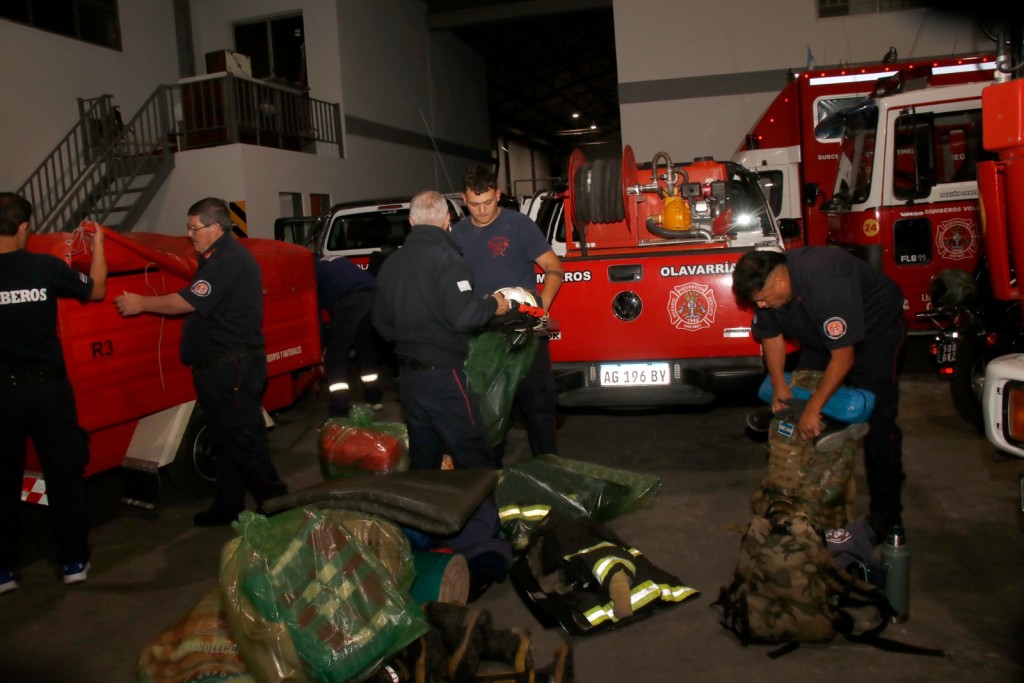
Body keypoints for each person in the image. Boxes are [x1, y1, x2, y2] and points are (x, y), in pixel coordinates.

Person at [114, 198, 287, 528]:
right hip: (219, 367)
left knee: (244, 439)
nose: (189, 234)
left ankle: (277, 505)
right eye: (188, 227)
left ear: (215, 228)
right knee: (225, 441)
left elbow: (187, 301)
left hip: (231, 367)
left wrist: (141, 303)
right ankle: (228, 504)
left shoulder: (227, 259)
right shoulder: (215, 259)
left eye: (194, 228)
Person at [372, 189, 511, 599]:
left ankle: (424, 538)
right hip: (444, 377)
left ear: (412, 223)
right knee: (475, 459)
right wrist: (496, 304)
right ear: (447, 222)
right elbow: (467, 315)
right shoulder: (448, 260)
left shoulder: (391, 264)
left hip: (409, 380)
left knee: (426, 464)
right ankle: (484, 554)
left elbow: (380, 323)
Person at [731, 247, 906, 536]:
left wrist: (814, 407)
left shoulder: (825, 280)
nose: (760, 306)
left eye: (761, 299)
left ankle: (888, 517)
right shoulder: (772, 296)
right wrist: (779, 386)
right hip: (819, 337)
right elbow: (771, 338)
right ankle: (810, 506)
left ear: (779, 282)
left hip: (876, 333)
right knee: (796, 408)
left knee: (879, 421)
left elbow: (844, 356)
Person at [0, 192, 106, 592]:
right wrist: (97, 246)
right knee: (64, 477)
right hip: (48, 391)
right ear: (25, 226)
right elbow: (95, 289)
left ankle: (4, 571)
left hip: (2, 396)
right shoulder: (44, 268)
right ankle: (72, 561)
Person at [451, 166, 564, 459]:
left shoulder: (520, 226)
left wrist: (543, 305)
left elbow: (554, 268)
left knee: (539, 408)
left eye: (488, 202)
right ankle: (491, 483)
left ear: (498, 194)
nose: (482, 210)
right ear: (464, 199)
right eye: (475, 205)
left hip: (526, 331)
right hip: (482, 335)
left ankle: (549, 469)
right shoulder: (456, 234)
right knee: (487, 409)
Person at [313, 254, 383, 417]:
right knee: (364, 346)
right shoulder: (329, 260)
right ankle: (374, 398)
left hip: (351, 300)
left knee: (336, 354)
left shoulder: (311, 270)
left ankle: (340, 408)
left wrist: (321, 345)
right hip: (373, 293)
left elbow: (315, 312)